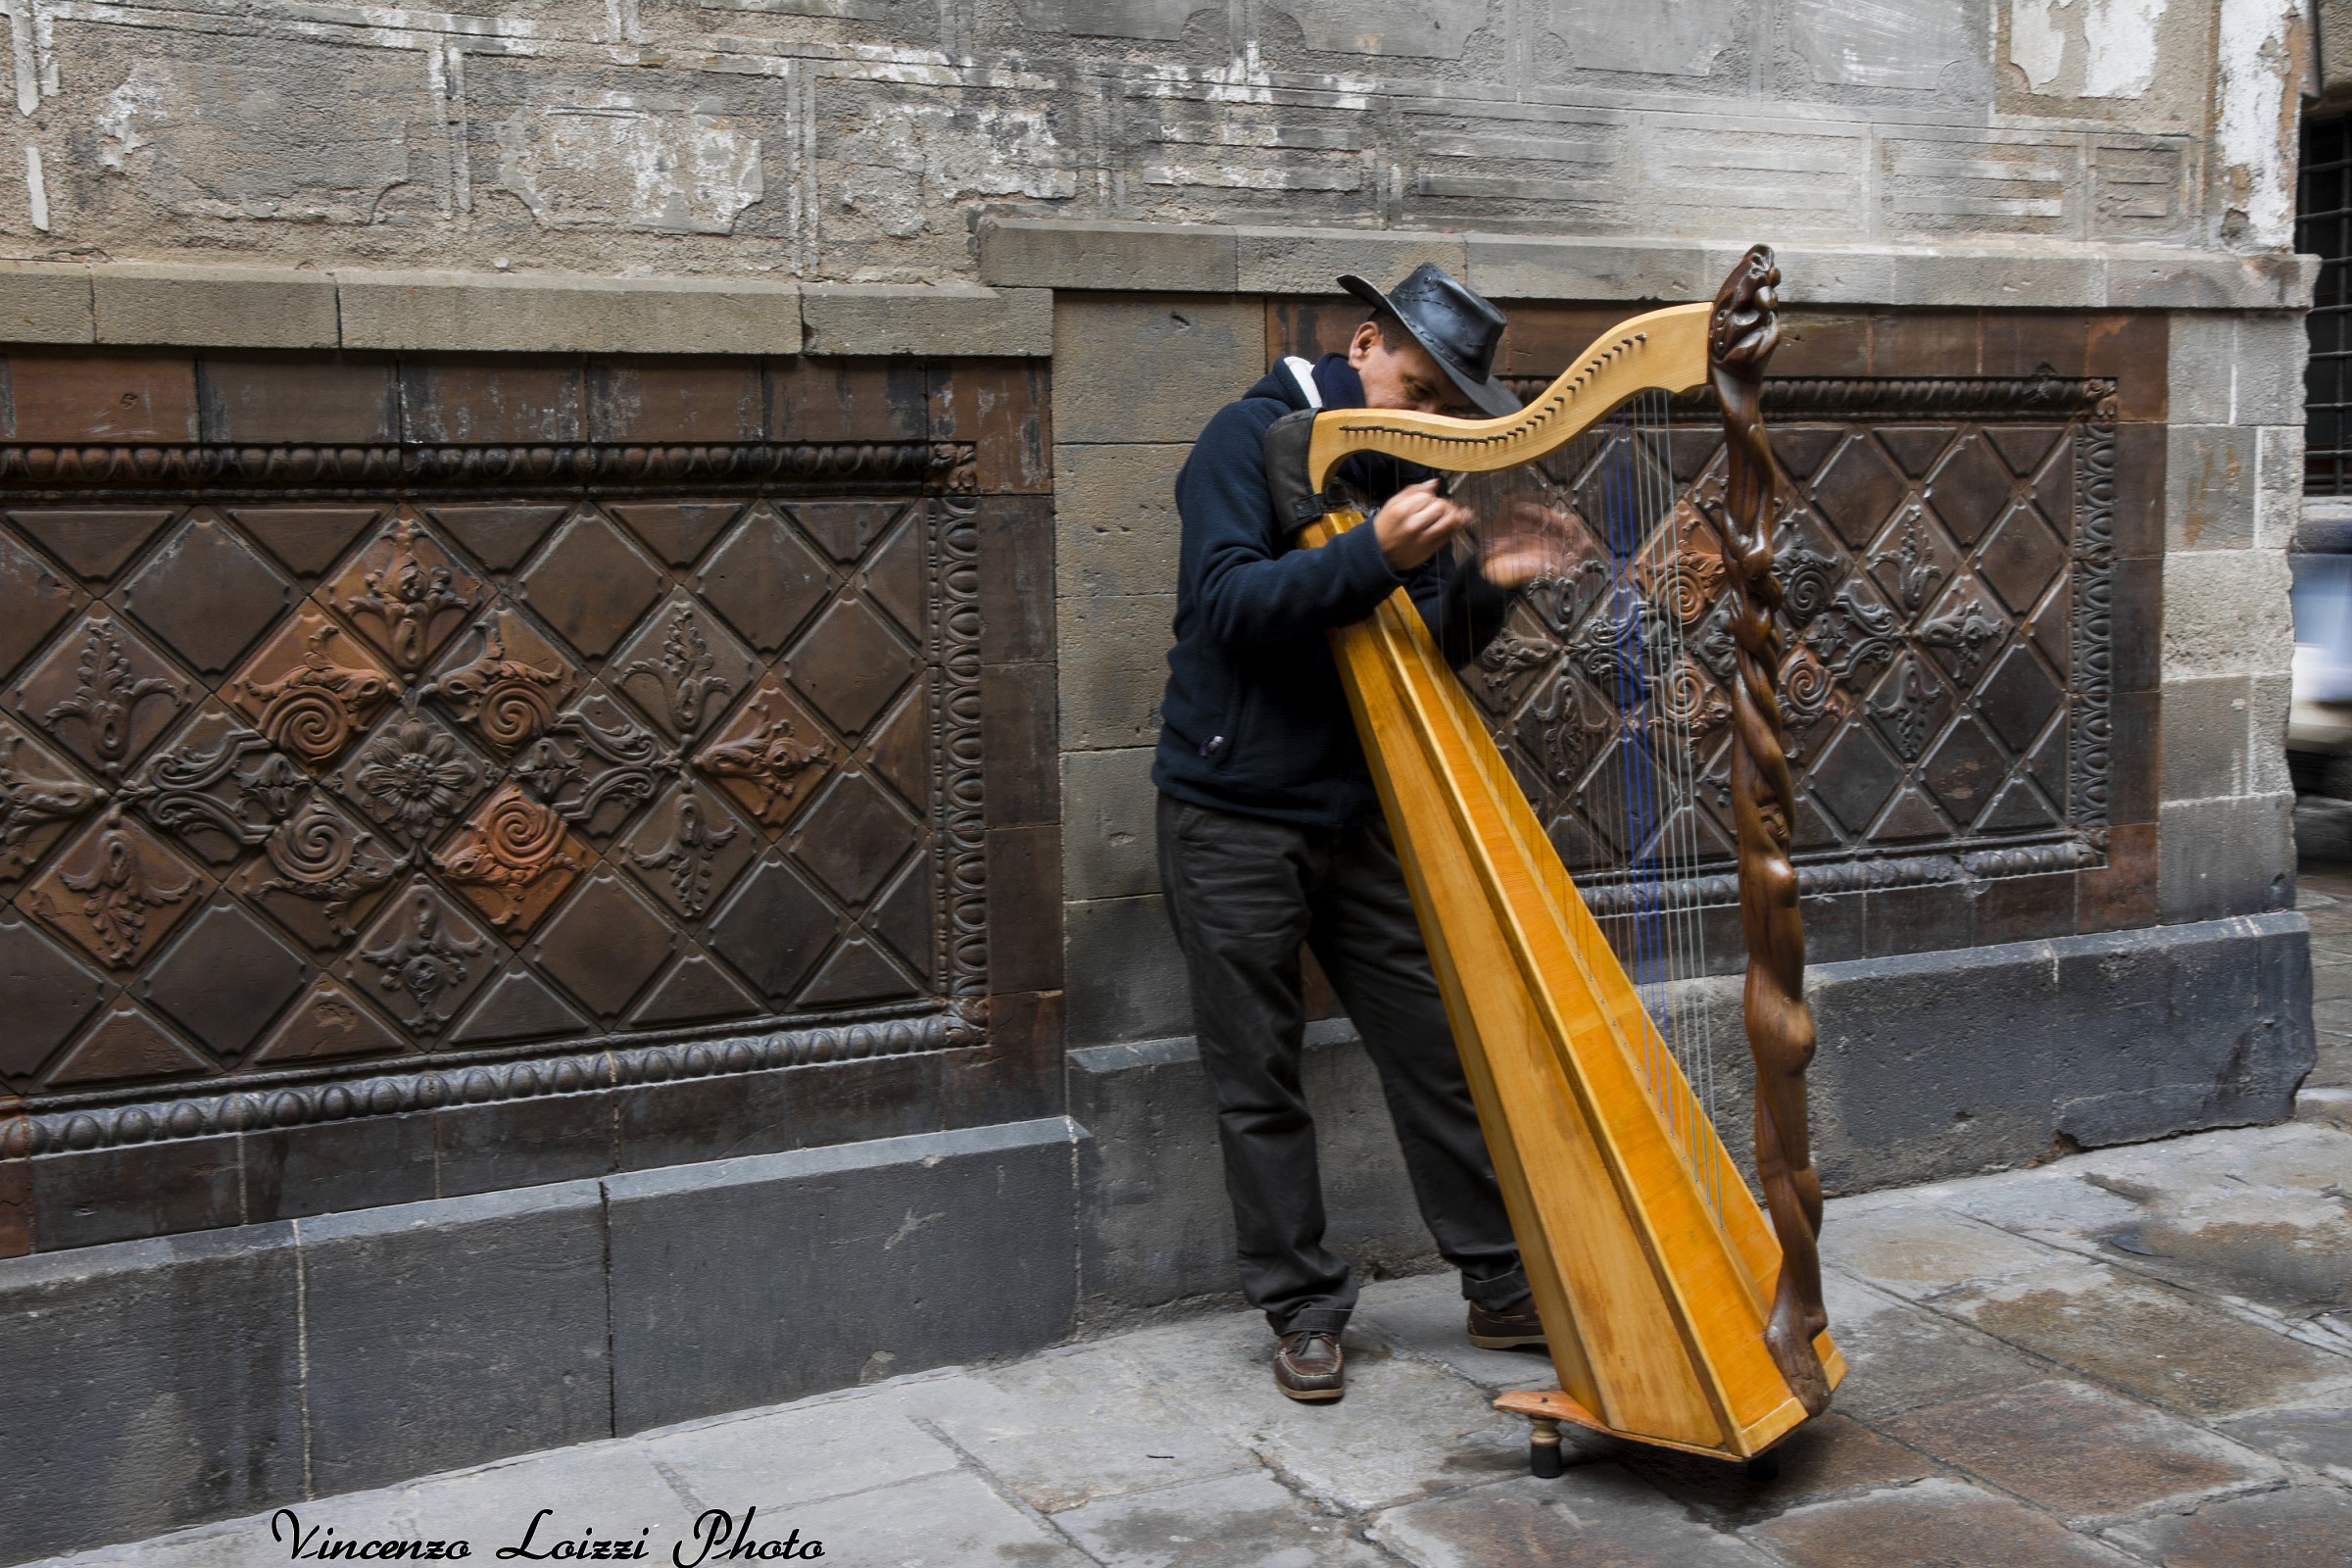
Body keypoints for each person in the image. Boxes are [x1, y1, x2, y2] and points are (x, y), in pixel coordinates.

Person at [1152, 264, 1580, 1402]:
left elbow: (1413, 652)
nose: (1428, 415)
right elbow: (1231, 609)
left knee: (1437, 1052)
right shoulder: (1243, 441)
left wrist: (1488, 582)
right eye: (1419, 384)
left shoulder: (1398, 466)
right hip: (1233, 815)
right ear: (1363, 344)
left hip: (1365, 808)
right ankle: (1300, 1307)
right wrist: (1371, 555)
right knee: (1260, 1072)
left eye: (1447, 404)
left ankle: (1498, 1284)